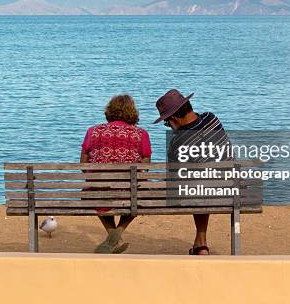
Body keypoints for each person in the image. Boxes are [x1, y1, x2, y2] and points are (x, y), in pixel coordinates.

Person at [154, 89, 231, 255]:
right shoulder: (212, 118)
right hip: (229, 189)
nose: (168, 126)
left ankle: (201, 243)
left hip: (199, 191)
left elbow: (173, 176)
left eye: (167, 122)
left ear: (173, 118)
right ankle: (200, 242)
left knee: (195, 186)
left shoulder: (177, 142)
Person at [81, 94, 151, 253]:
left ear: (109, 111)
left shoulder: (92, 131)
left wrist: (95, 176)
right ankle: (118, 230)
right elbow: (145, 167)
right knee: (141, 192)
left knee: (92, 192)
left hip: (98, 192)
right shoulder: (141, 134)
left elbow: (83, 163)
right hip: (129, 192)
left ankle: (112, 233)